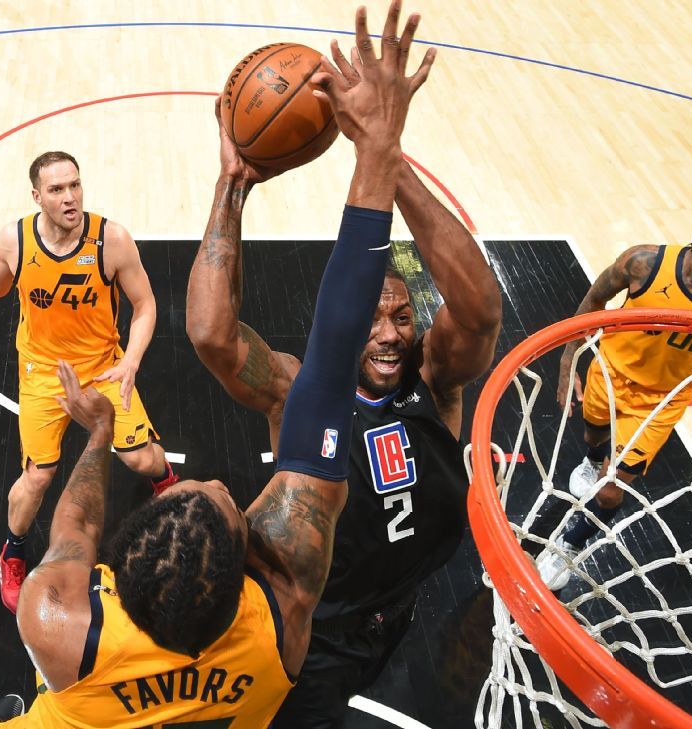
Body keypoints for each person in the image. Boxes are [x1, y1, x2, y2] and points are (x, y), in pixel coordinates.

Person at [0, 3, 436, 725]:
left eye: (185, 490)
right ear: (245, 574)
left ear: (113, 583)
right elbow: (332, 355)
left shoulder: (59, 626)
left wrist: (96, 436)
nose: (209, 479)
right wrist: (379, 154)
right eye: (219, 497)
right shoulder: (279, 628)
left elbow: (68, 531)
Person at [185, 34, 501, 729]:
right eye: (371, 317)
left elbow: (480, 309)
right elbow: (212, 335)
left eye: (401, 315)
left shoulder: (435, 378)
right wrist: (231, 187)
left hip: (395, 612)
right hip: (311, 632)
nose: (388, 332)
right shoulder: (297, 392)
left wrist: (383, 152)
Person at [0, 151, 177, 613]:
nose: (70, 198)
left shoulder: (112, 240)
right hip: (43, 373)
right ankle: (13, 548)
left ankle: (167, 484)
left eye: (75, 186)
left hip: (104, 367)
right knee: (38, 476)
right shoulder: (16, 239)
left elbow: (145, 304)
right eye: (57, 190)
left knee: (141, 459)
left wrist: (132, 362)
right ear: (36, 196)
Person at [537, 194, 692, 591]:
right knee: (592, 434)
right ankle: (593, 457)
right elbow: (594, 300)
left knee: (614, 487)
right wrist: (568, 362)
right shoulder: (645, 262)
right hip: (610, 371)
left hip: (662, 401)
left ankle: (566, 547)